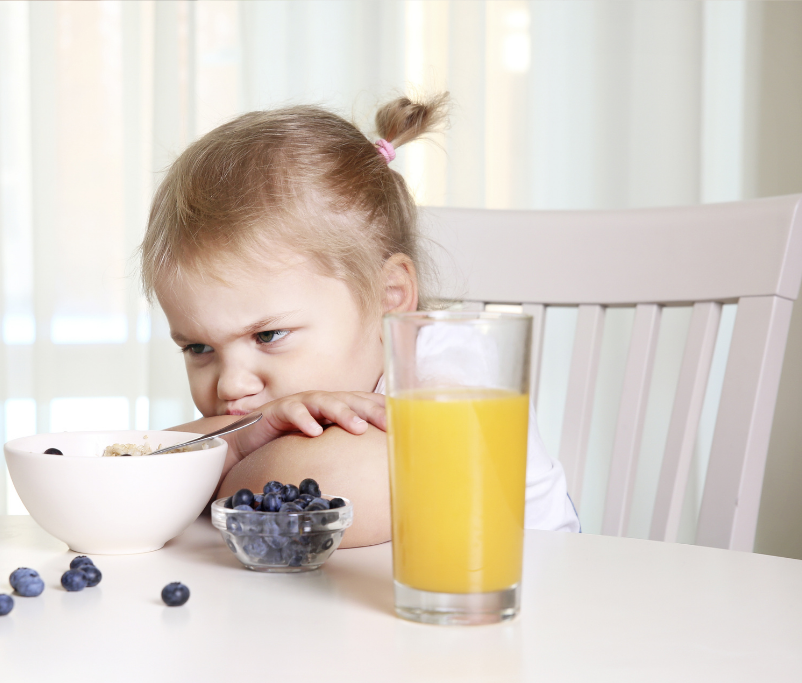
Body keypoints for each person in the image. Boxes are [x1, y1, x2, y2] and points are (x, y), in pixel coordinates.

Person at [140, 94, 580, 547]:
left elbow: (352, 486)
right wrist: (237, 441)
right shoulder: (263, 409)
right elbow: (123, 472)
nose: (230, 386)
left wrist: (209, 473)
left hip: (533, 600)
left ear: (389, 299)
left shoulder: (450, 364)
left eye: (268, 335)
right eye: (198, 348)